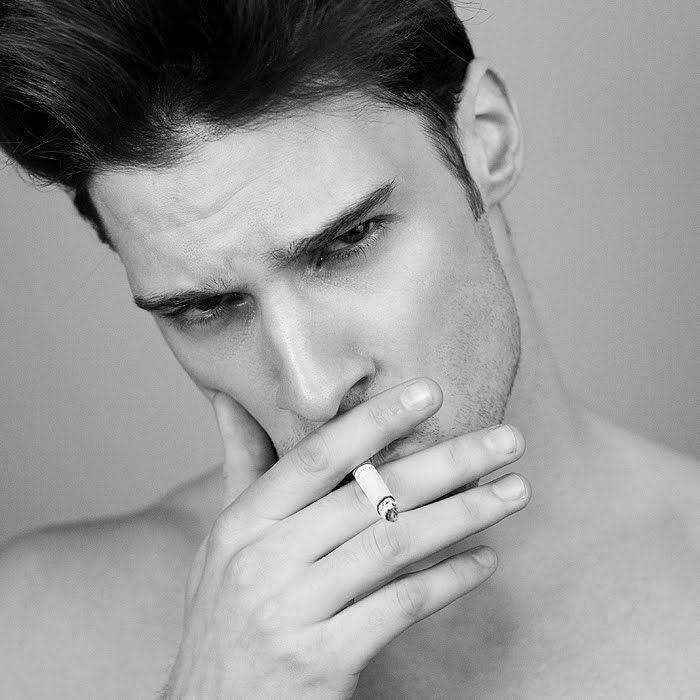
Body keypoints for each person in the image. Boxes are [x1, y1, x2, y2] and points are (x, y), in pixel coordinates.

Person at [0, 1, 697, 697]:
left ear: (486, 140)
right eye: (206, 307)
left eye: (348, 241)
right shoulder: (37, 635)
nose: (313, 390)